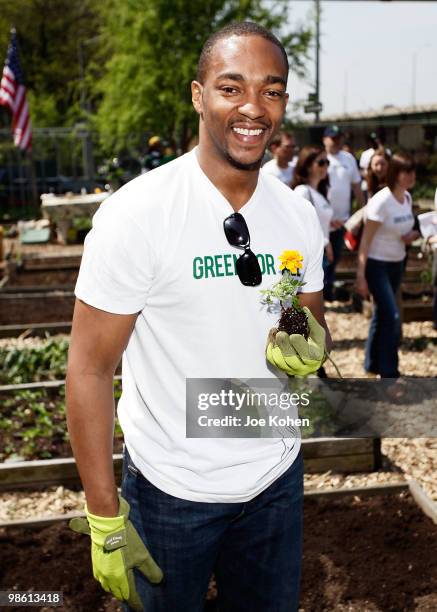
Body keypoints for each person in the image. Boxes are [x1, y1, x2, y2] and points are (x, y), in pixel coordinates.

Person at [66, 21, 331, 612]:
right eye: (232, 87)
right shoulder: (137, 214)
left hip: (275, 482)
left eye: (272, 90)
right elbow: (88, 369)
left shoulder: (296, 214)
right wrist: (104, 515)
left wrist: (312, 342)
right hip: (171, 493)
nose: (253, 108)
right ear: (198, 94)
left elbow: (310, 318)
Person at [356, 153, 419, 378]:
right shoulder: (381, 201)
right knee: (392, 316)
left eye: (413, 171)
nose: (411, 176)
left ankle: (372, 365)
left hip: (397, 263)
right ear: (395, 174)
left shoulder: (407, 198)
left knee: (381, 315)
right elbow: (365, 241)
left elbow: (403, 228)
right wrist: (361, 275)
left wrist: (410, 235)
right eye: (406, 171)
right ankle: (389, 373)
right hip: (377, 265)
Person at [323, 124, 364, 301]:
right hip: (323, 219)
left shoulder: (348, 159)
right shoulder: (320, 159)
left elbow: (356, 186)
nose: (336, 142)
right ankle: (320, 293)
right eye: (333, 138)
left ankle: (328, 290)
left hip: (343, 219)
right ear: (325, 140)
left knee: (335, 256)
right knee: (322, 257)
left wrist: (363, 210)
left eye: (339, 138)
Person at [291, 145, 334, 267]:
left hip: (322, 253)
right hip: (311, 257)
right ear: (308, 166)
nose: (325, 166)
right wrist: (326, 242)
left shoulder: (321, 192)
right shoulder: (302, 191)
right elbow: (299, 227)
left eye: (327, 162)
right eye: (321, 162)